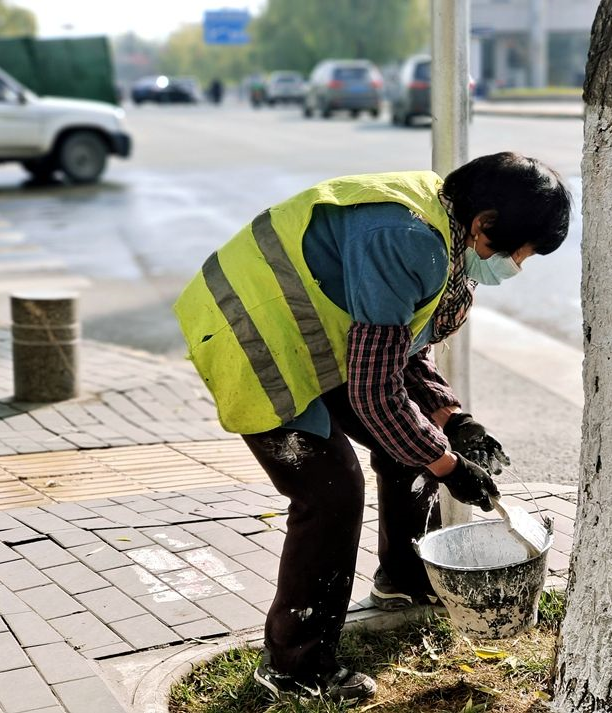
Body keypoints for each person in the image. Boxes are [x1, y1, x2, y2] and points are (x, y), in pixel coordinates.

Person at [173, 152, 572, 702]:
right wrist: (449, 466)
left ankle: (406, 582)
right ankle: (295, 667)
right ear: (485, 223)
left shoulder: (445, 229)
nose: (514, 268)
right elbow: (376, 392)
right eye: (516, 255)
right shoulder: (409, 240)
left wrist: (453, 420)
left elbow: (400, 347)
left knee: (412, 445)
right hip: (255, 335)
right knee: (331, 491)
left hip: (322, 339)